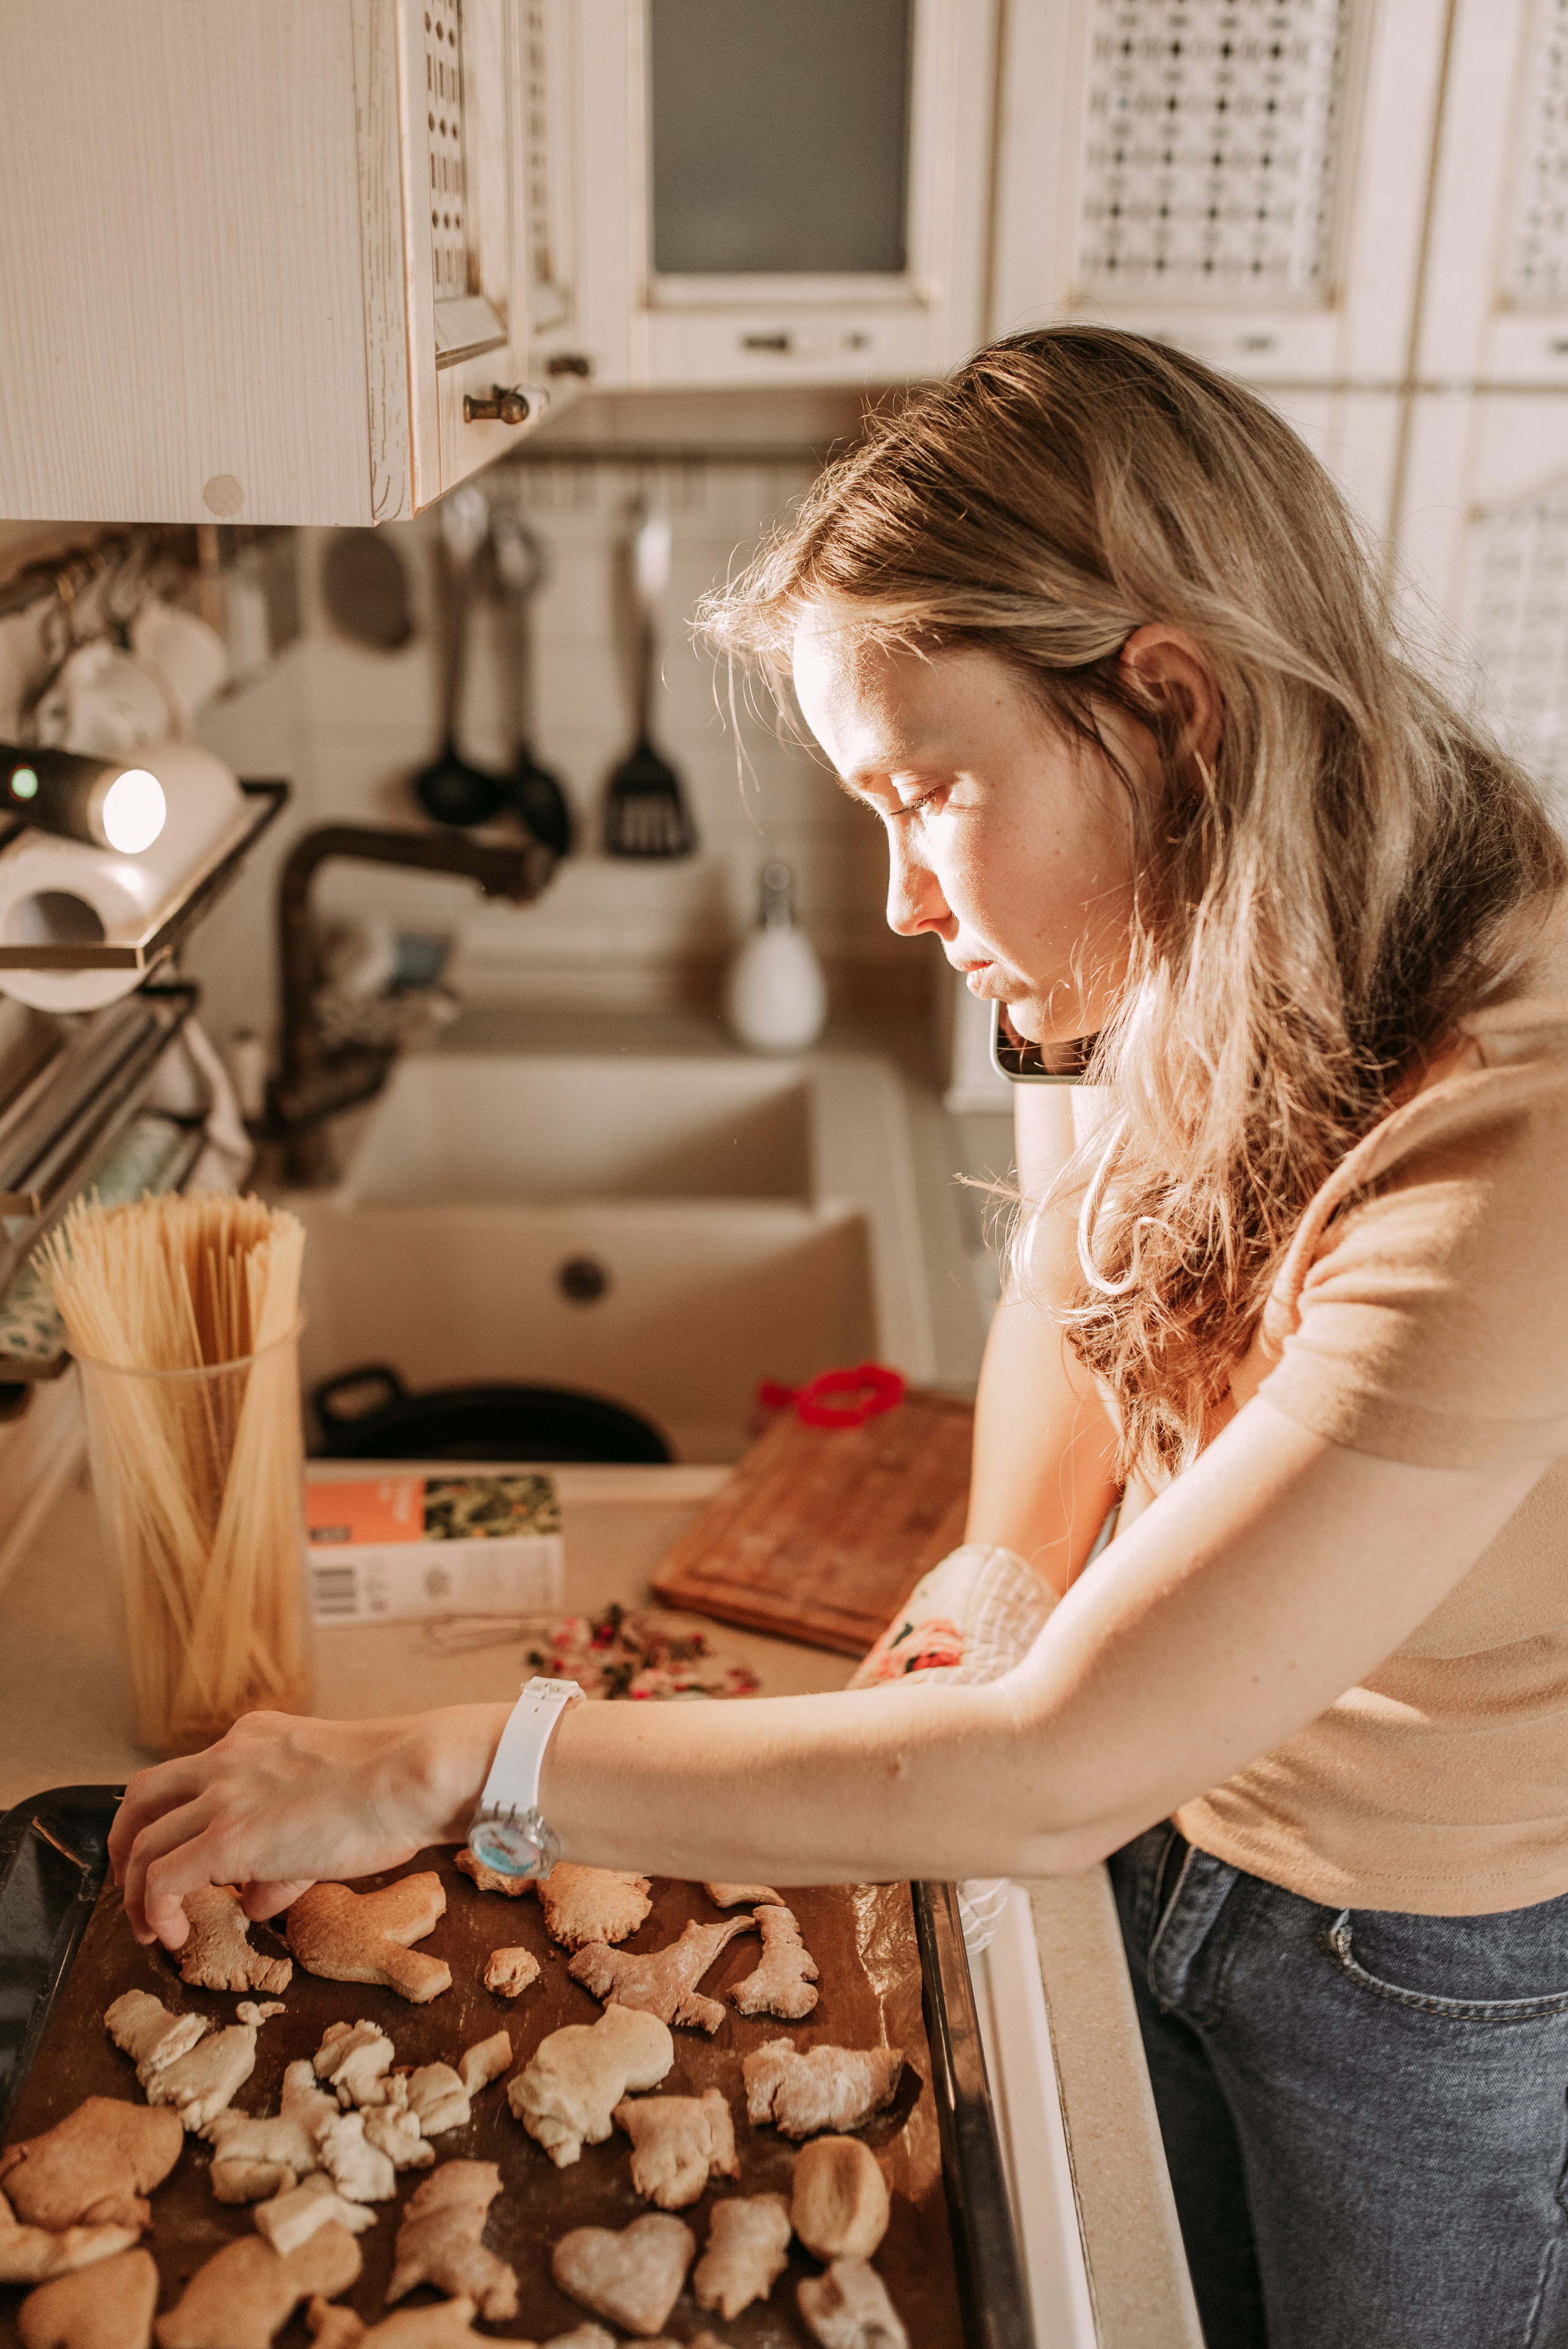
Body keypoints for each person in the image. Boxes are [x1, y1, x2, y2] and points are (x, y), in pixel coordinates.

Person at [111, 330, 1568, 2349]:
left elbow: (1057, 1765)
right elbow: (1085, 1229)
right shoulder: (1216, 909)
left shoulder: (1516, 1147)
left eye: (926, 791)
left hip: (1413, 1968)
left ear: (1165, 702)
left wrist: (445, 1765)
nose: (895, 896)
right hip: (1176, 1842)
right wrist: (991, 1572)